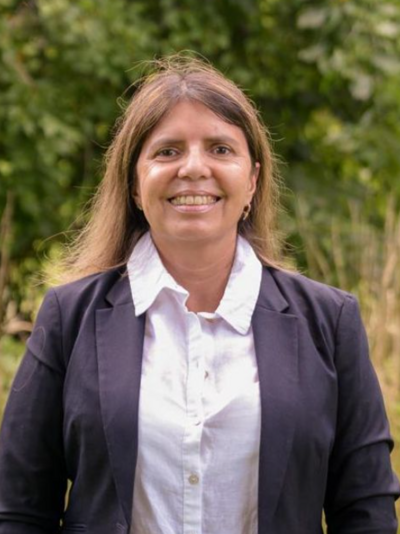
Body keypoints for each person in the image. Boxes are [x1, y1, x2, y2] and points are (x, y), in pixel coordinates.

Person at [0, 55, 398, 534]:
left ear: (251, 180)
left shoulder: (330, 321)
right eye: (167, 151)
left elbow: (366, 512)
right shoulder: (69, 318)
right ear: (134, 183)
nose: (193, 168)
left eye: (220, 149)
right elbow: (18, 510)